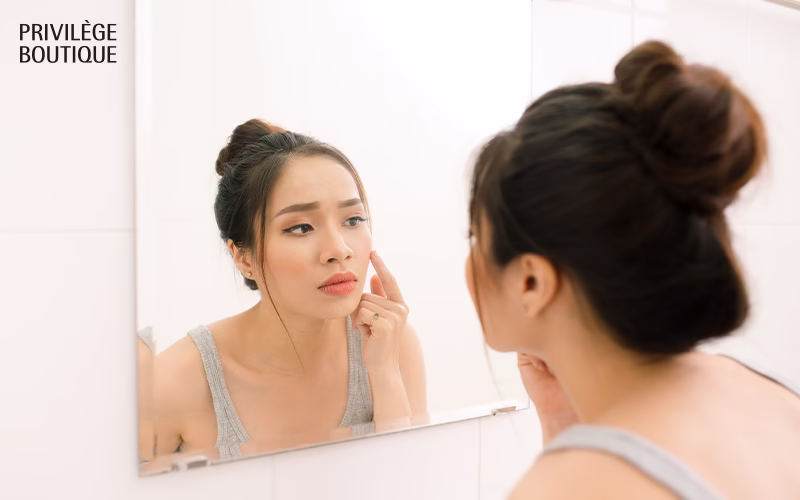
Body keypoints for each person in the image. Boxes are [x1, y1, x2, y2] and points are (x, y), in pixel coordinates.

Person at [466, 41, 800, 499]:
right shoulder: (763, 395)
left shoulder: (574, 487)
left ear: (532, 282)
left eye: (474, 236)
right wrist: (565, 427)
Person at [153, 119, 426, 460]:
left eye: (353, 220)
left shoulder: (393, 345)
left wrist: (384, 372)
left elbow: (407, 479)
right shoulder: (173, 382)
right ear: (243, 256)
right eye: (301, 227)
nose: (339, 249)